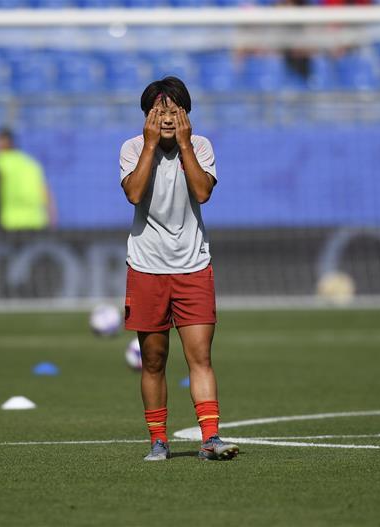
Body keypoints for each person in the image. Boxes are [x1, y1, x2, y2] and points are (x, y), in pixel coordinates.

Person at [120, 77, 238, 462]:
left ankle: (211, 438)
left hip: (193, 265)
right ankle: (158, 440)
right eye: (159, 111)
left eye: (174, 111)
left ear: (186, 115)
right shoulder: (133, 148)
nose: (167, 118)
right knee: (153, 360)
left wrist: (184, 145)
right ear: (147, 115)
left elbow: (203, 191)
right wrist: (151, 144)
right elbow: (134, 193)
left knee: (200, 357)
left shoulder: (200, 146)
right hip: (146, 267)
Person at [0, 128, 56, 231]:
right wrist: (52, 219)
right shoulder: (32, 164)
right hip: (35, 223)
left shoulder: (0, 162)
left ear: (6, 142)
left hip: (7, 223)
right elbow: (46, 193)